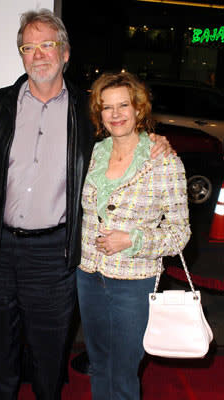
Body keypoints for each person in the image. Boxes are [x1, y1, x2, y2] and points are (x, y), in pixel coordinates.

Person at [0, 9, 172, 400]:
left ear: (65, 52)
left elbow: (127, 136)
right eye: (29, 46)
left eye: (48, 45)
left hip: (54, 255)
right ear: (21, 55)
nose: (39, 54)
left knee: (48, 357)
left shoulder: (87, 113)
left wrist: (157, 141)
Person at [77, 71, 191, 400]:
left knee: (124, 370)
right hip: (88, 276)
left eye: (123, 105)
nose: (115, 114)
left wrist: (132, 239)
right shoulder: (94, 152)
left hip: (133, 281)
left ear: (139, 109)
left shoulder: (164, 162)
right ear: (99, 114)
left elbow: (179, 234)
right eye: (107, 107)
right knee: (98, 363)